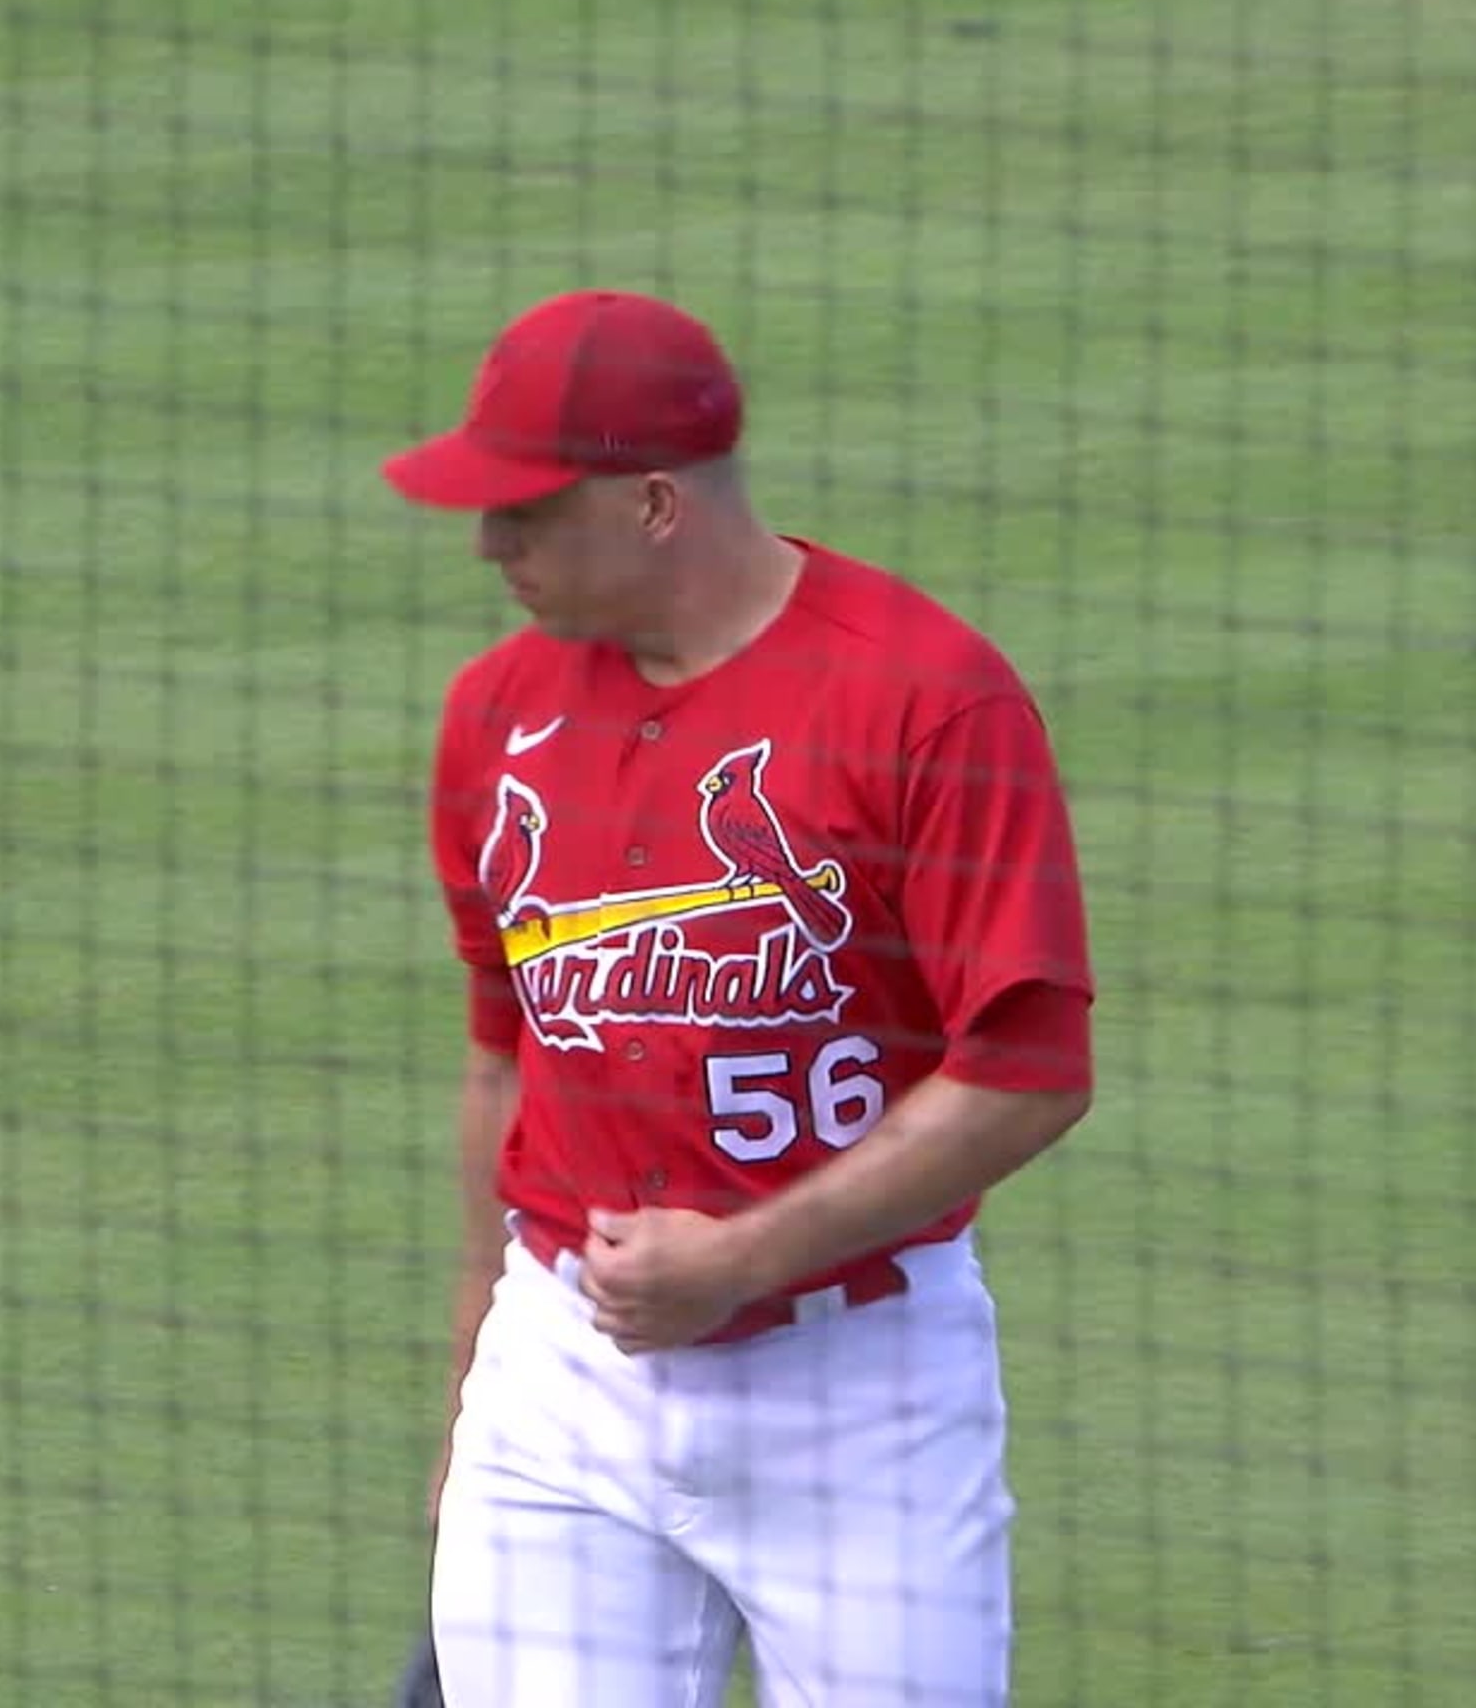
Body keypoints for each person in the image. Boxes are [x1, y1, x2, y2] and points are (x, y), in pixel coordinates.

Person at [385, 287, 1098, 1708]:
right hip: (566, 1377)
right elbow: (505, 1062)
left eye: (527, 510)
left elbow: (1029, 1069)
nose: (490, 543)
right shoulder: (494, 717)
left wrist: (743, 1259)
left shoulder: (924, 701)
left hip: (860, 1398)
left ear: (654, 503)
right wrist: (475, 1389)